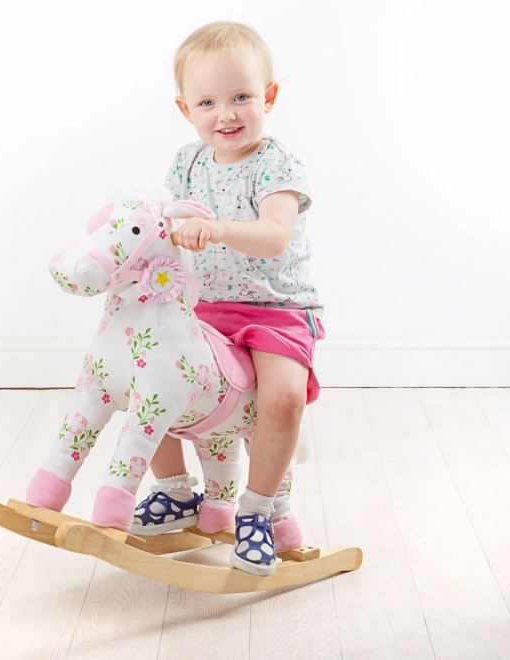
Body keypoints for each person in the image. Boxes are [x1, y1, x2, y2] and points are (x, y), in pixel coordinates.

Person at [130, 20, 325, 577]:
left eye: (241, 97)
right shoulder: (186, 165)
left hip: (277, 309)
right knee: (155, 373)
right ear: (186, 109)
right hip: (209, 307)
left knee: (283, 398)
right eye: (208, 102)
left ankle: (259, 511)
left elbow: (275, 235)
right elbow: (161, 221)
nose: (227, 114)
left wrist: (215, 229)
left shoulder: (277, 165)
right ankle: (176, 489)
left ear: (268, 96)